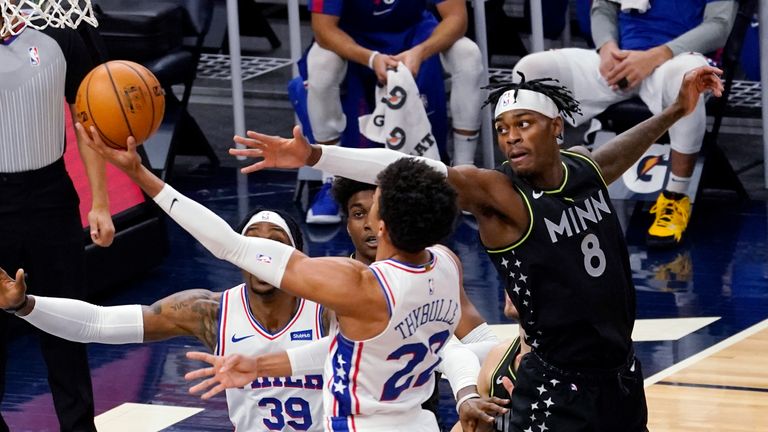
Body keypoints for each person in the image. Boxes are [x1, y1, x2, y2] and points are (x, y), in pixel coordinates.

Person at [224, 64, 723, 431]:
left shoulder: (582, 173)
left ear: (556, 128)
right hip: (557, 382)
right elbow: (401, 165)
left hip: (619, 372)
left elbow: (617, 153)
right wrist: (314, 154)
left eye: (523, 124)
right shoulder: (497, 194)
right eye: (503, 130)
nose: (510, 138)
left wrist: (677, 109)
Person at [78, 127, 509, 431]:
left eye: (375, 199)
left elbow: (229, 245)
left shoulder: (357, 287)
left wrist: (142, 177)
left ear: (383, 224)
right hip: (418, 422)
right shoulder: (447, 264)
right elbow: (354, 348)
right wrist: (263, 364)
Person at [0, 208, 331, 431]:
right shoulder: (211, 311)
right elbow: (99, 323)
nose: (262, 253)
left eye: (275, 243)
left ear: (298, 257)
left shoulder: (329, 311)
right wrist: (26, 305)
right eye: (252, 241)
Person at [512, 0, 737, 247]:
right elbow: (603, 9)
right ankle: (546, 189)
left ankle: (676, 197)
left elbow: (719, 26)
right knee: (530, 70)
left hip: (676, 59)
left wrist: (656, 55)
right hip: (620, 61)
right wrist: (607, 49)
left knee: (690, 76)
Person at [0, 19, 115, 431]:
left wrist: (99, 202)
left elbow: (87, 124)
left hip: (51, 197)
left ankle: (80, 427)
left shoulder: (59, 35)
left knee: (65, 325)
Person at [331, 177, 501, 422]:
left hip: (418, 418)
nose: (369, 223)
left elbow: (484, 344)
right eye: (358, 214)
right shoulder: (331, 288)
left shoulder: (434, 271)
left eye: (377, 212)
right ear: (347, 225)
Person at [304, 0, 484, 224]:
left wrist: (421, 51)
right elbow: (323, 29)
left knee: (468, 54)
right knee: (321, 64)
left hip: (415, 34)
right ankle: (330, 179)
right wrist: (370, 58)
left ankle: (463, 173)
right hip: (353, 37)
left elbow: (457, 18)